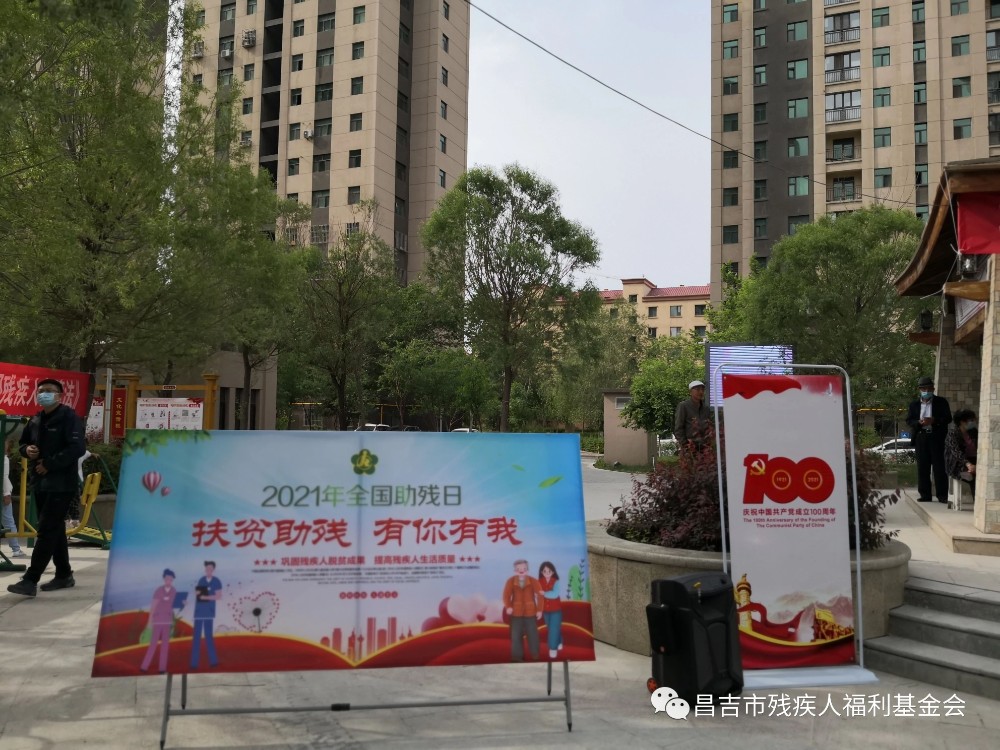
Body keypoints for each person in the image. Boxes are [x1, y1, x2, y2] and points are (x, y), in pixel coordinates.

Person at [7, 379, 86, 597]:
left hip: (62, 484)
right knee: (55, 529)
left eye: (49, 391)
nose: (43, 394)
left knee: (46, 530)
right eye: (40, 391)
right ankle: (64, 574)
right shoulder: (35, 419)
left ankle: (30, 579)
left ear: (60, 395)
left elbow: (77, 448)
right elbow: (23, 444)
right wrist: (27, 450)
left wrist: (50, 464)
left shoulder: (69, 418)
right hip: (40, 483)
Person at [905, 376, 952, 504]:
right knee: (923, 467)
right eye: (923, 389)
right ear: (919, 390)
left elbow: (948, 418)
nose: (926, 391)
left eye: (928, 388)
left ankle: (942, 495)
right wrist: (919, 423)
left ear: (933, 389)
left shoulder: (941, 402)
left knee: (939, 467)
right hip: (921, 437)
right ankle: (925, 494)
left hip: (937, 437)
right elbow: (909, 420)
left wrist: (934, 420)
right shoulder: (914, 405)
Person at [140, 569, 182, 674]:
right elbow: (153, 607)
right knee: (153, 644)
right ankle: (144, 667)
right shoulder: (158, 590)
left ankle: (162, 669)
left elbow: (174, 605)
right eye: (167, 578)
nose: (169, 581)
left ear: (172, 580)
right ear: (164, 579)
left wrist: (183, 603)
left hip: (167, 621)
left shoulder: (174, 591)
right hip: (157, 621)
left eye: (171, 579)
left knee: (165, 646)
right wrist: (149, 622)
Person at [501, 559, 544, 662]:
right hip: (516, 613)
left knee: (533, 635)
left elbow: (540, 595)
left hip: (531, 613)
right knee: (515, 636)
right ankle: (517, 658)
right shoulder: (510, 581)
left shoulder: (533, 581)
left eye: (524, 568)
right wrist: (508, 607)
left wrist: (539, 610)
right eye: (518, 569)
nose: (521, 570)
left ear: (527, 570)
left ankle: (535, 656)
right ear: (515, 570)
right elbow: (506, 595)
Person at [190, 561, 223, 669]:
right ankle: (194, 663)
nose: (208, 570)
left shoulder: (217, 581)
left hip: (209, 612)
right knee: (196, 637)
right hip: (199, 611)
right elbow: (199, 594)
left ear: (213, 569)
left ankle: (213, 661)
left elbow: (218, 596)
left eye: (210, 568)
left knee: (209, 636)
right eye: (207, 568)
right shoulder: (201, 580)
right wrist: (197, 594)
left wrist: (207, 597)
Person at [944, 409, 977, 496]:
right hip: (957, 465)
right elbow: (956, 452)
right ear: (962, 422)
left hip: (973, 462)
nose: (974, 422)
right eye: (971, 420)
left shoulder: (973, 432)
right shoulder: (953, 434)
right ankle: (977, 502)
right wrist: (968, 465)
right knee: (973, 477)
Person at [674, 380, 712, 453]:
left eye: (702, 390)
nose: (700, 392)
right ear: (690, 392)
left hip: (705, 448)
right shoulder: (683, 406)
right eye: (697, 389)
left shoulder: (706, 408)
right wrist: (685, 445)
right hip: (690, 447)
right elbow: (678, 428)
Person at [3, 445, 27, 558]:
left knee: (8, 520)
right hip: (3, 494)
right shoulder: (4, 459)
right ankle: (16, 549)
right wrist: (6, 493)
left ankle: (16, 548)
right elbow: (4, 477)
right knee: (8, 521)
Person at [538, 561, 563, 659]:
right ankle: (559, 641)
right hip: (545, 610)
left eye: (549, 571)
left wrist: (544, 593)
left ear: (553, 572)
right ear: (541, 572)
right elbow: (539, 597)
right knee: (551, 628)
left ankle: (553, 648)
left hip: (556, 610)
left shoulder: (556, 582)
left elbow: (555, 594)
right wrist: (539, 610)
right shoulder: (539, 581)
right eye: (545, 571)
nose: (547, 573)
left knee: (553, 629)